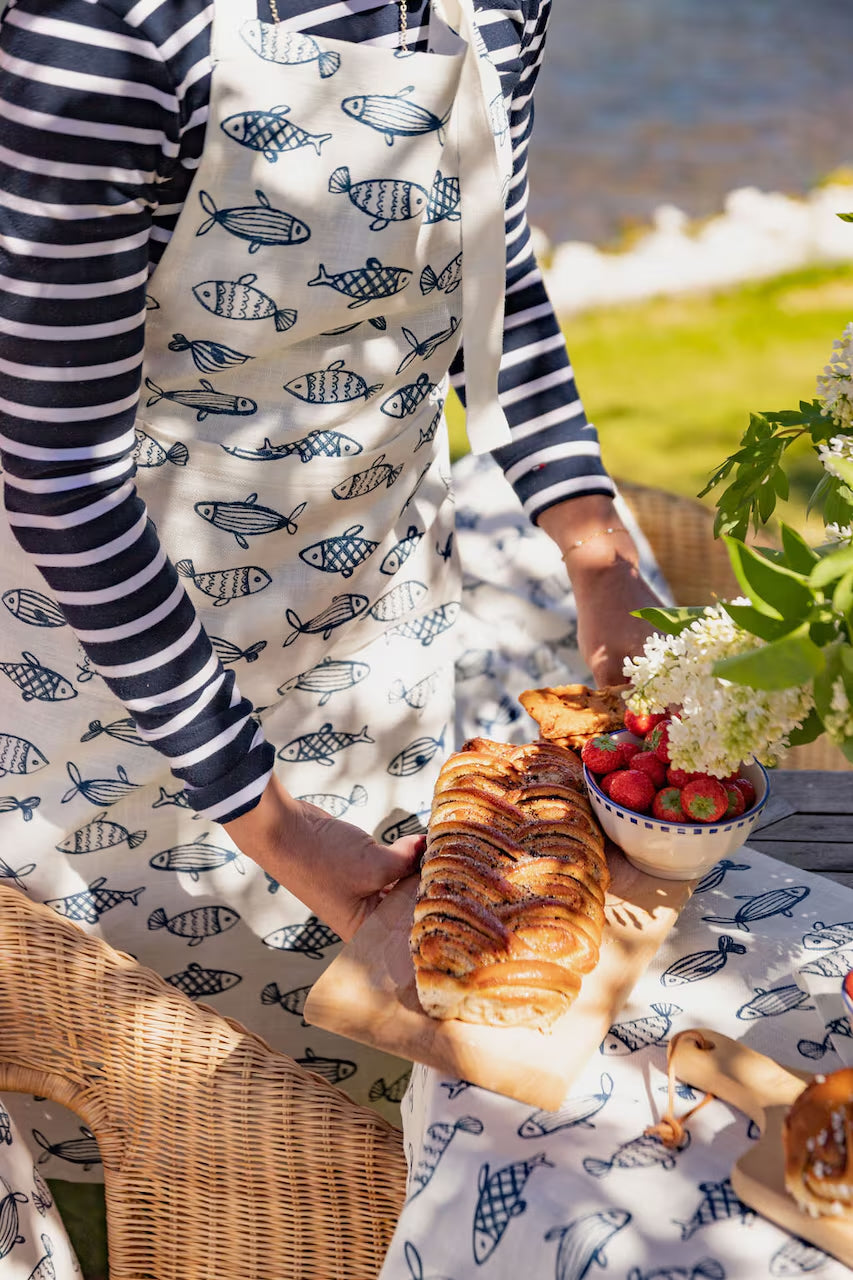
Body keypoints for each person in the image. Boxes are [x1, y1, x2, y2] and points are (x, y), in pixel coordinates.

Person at [0, 0, 663, 1171]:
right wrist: (274, 821)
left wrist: (592, 544)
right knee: (166, 1150)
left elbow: (485, 264)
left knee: (380, 1109)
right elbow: (58, 476)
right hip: (124, 704)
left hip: (377, 649)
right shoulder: (104, 32)